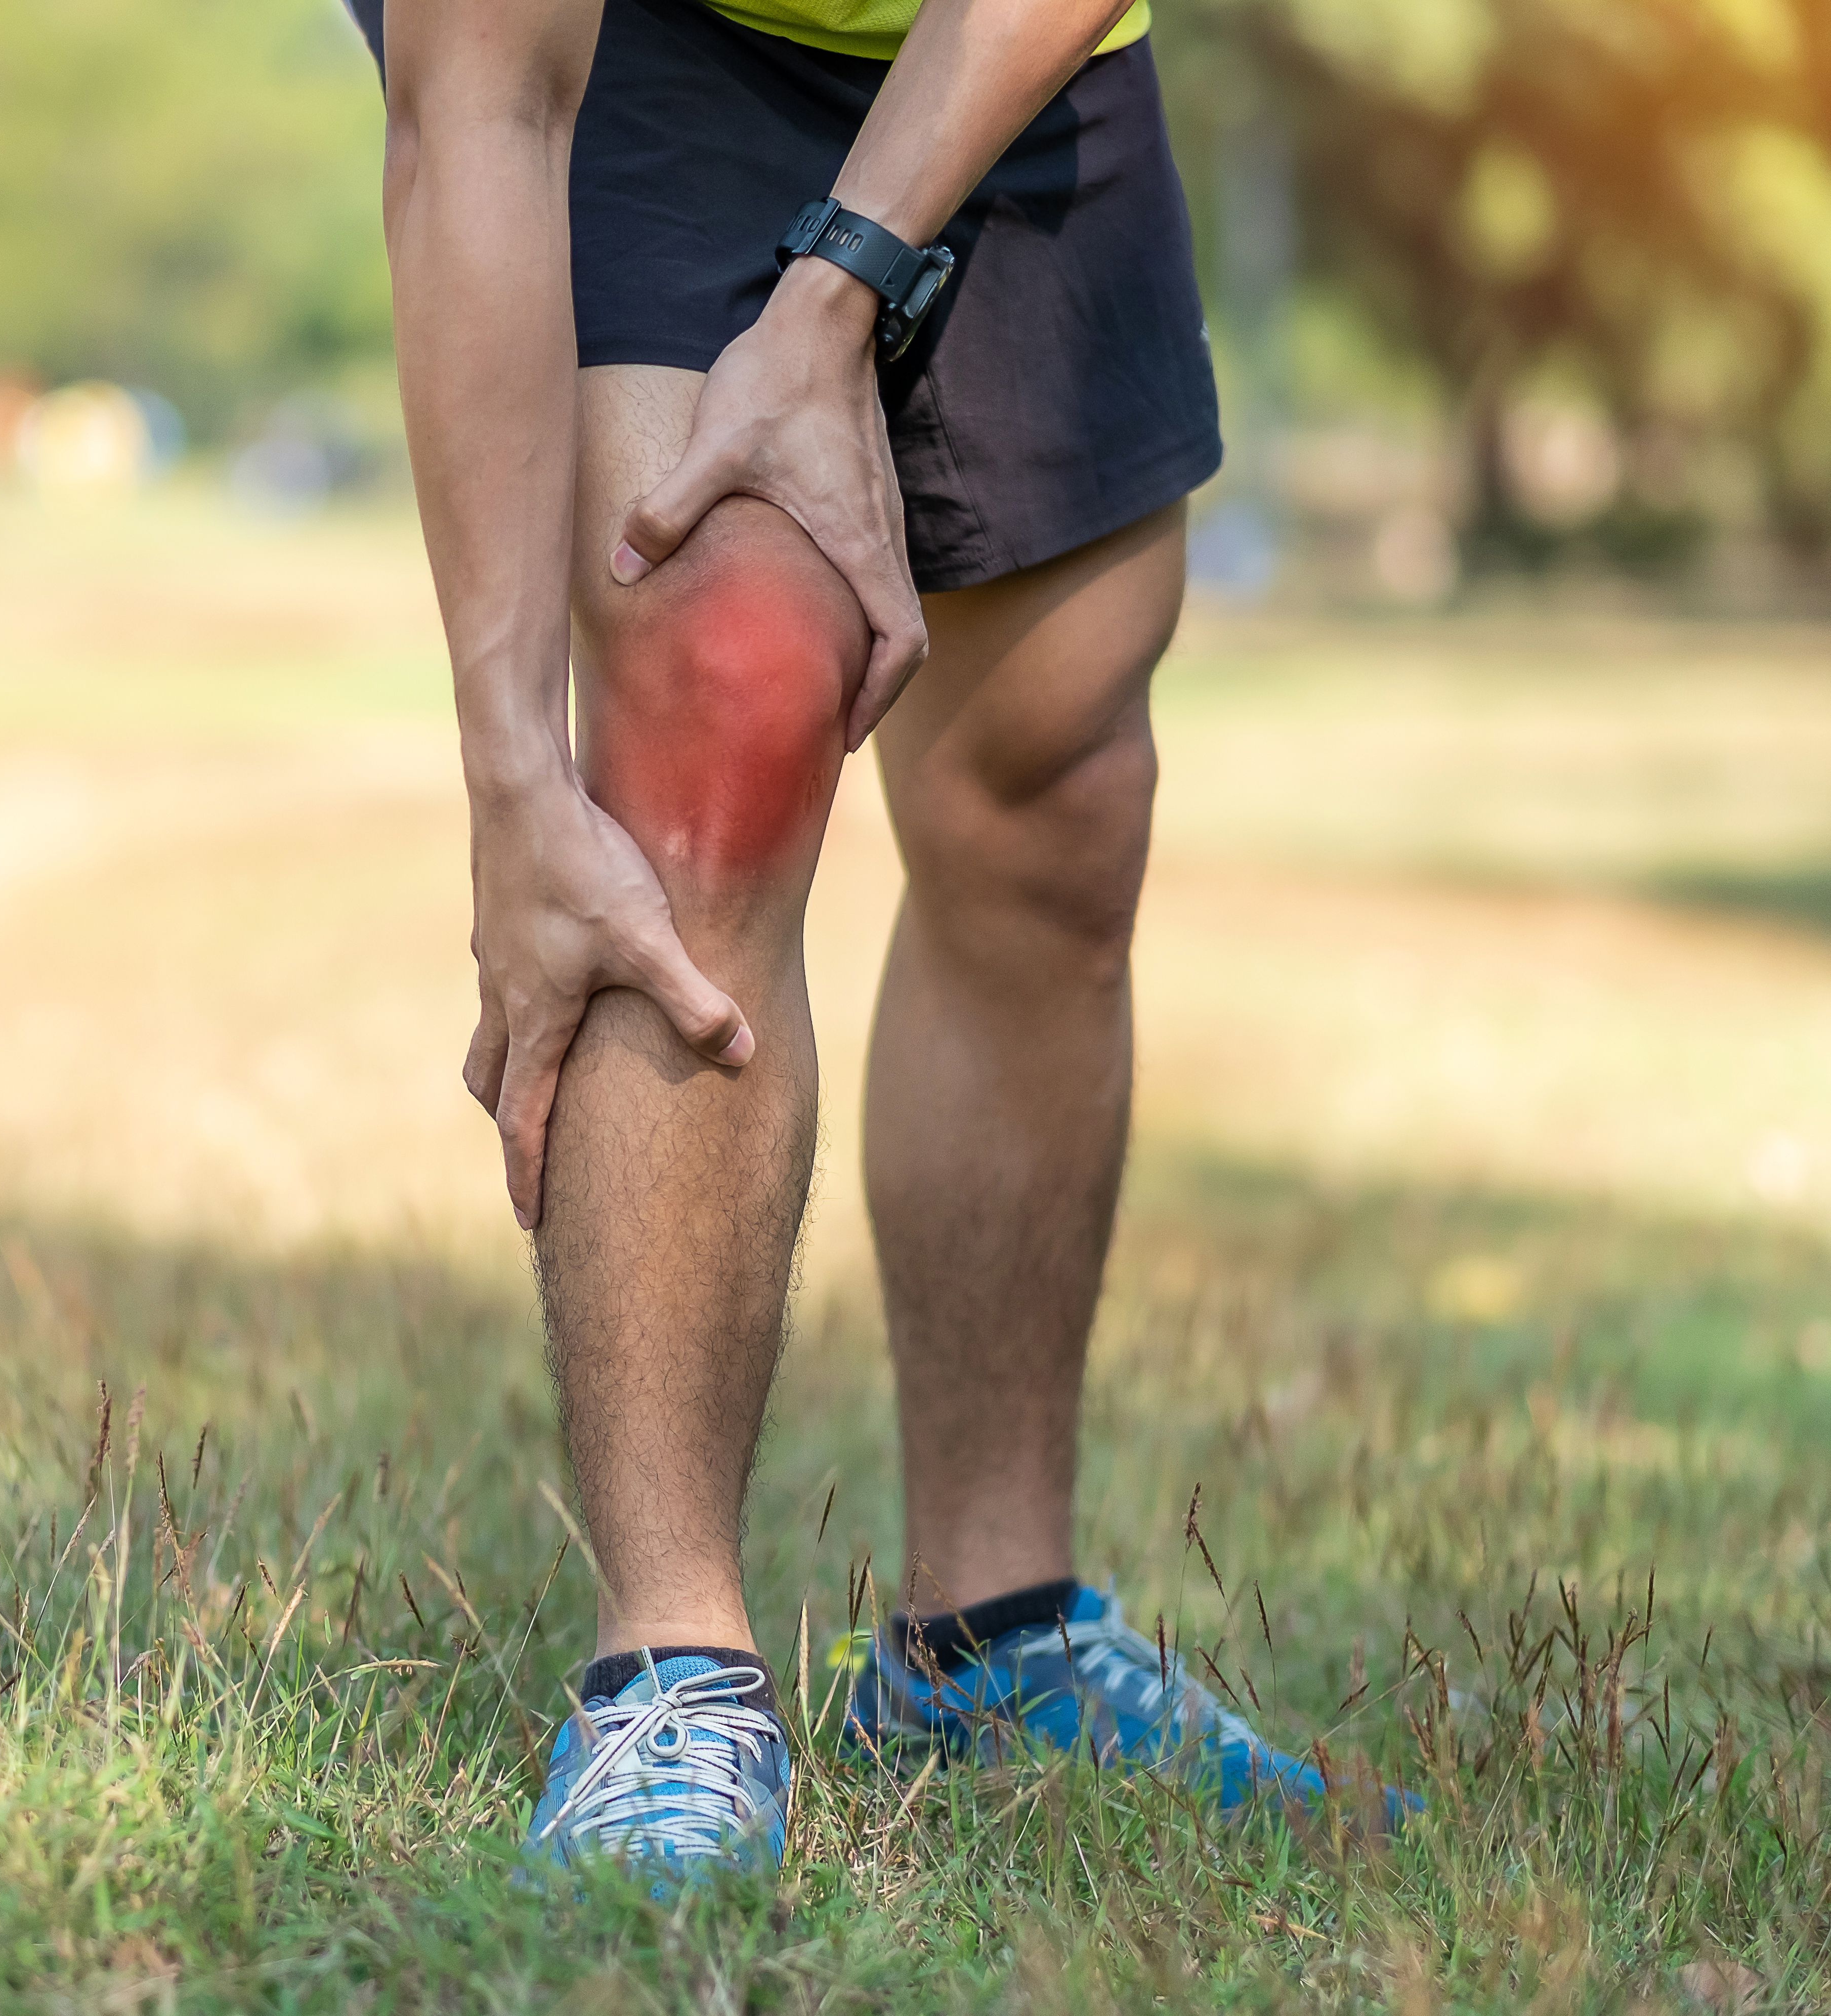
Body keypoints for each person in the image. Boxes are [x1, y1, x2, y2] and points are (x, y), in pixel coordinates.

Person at [355, 0, 1359, 1883]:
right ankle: (668, 1674)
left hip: (1003, 42)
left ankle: (992, 1640)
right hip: (647, 39)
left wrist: (830, 304)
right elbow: (476, 101)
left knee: (1058, 791)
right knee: (722, 690)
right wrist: (509, 775)